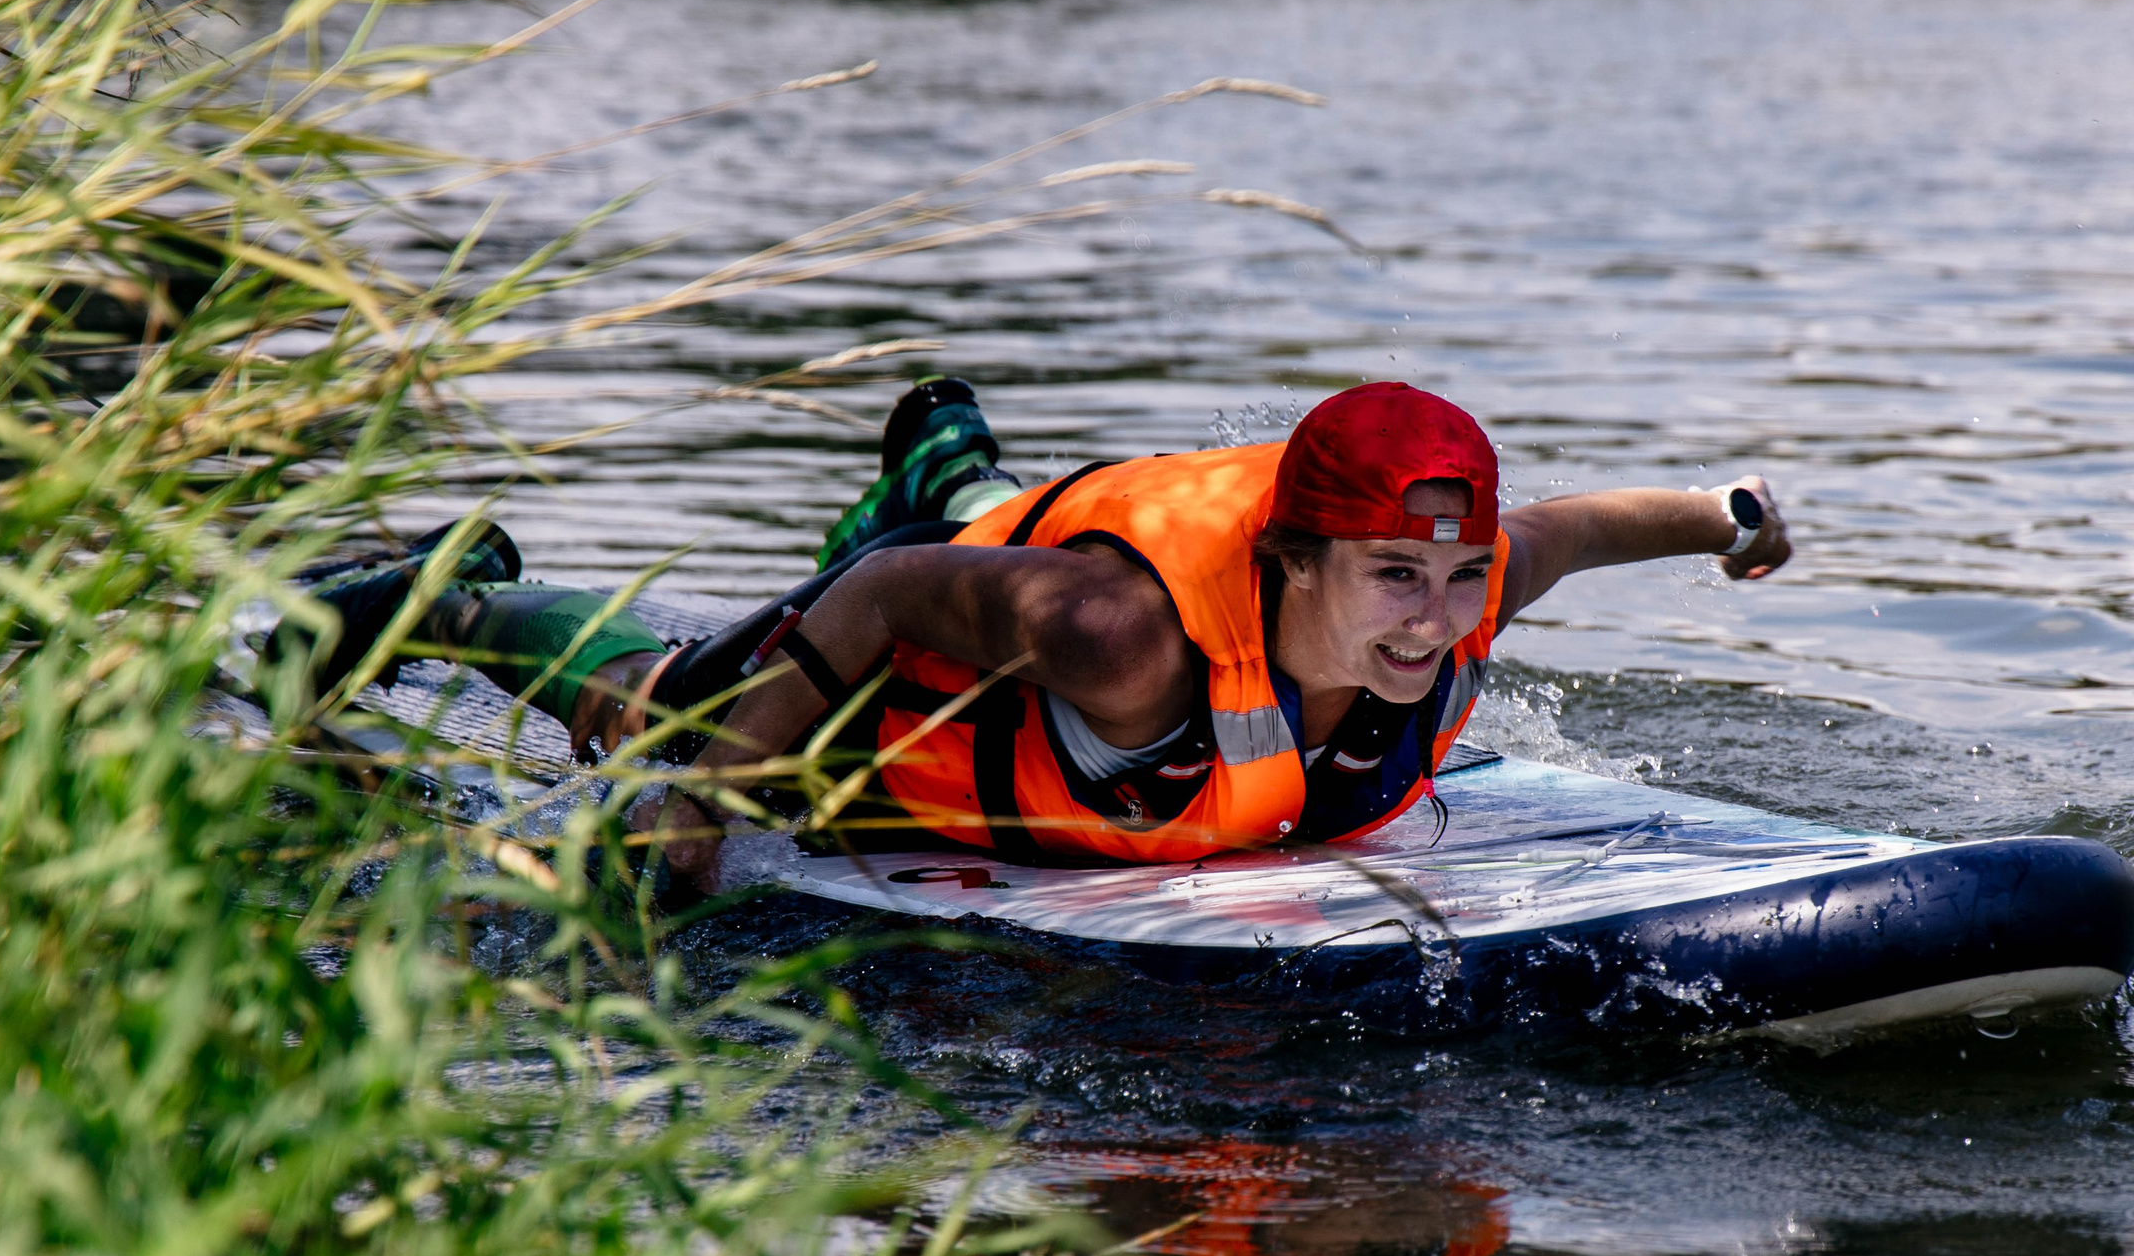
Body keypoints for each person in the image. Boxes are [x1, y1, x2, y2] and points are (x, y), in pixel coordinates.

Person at [275, 378, 1789, 883]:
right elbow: (879, 604)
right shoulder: (1125, 641)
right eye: (1396, 579)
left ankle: (955, 469)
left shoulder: (1460, 589)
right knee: (649, 706)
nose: (1434, 625)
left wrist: (1728, 517)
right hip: (901, 656)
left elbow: (1581, 527)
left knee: (993, 533)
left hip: (1021, 565)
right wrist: (697, 806)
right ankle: (438, 593)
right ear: (1293, 561)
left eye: (1457, 584)